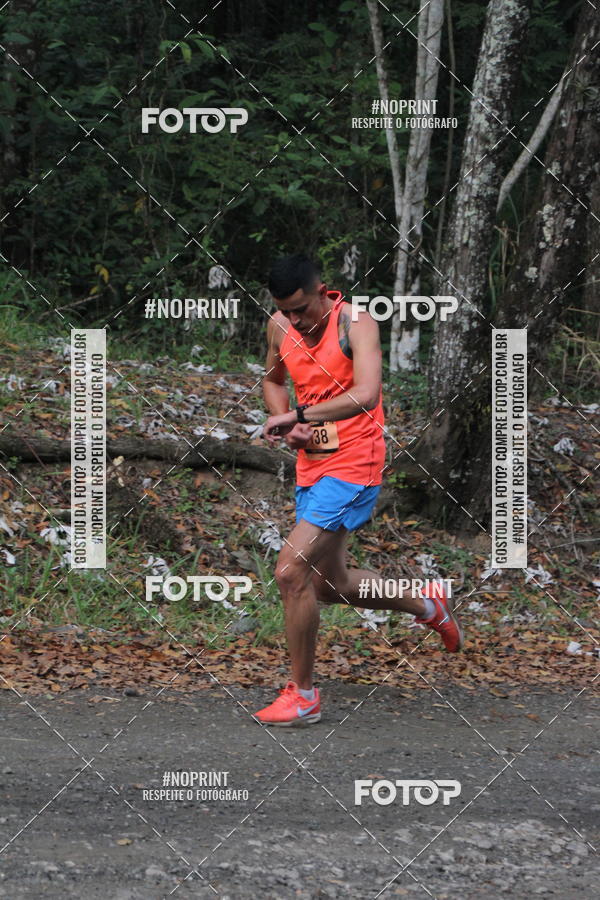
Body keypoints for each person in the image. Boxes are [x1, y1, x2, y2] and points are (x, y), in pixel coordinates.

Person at [254, 254, 463, 726]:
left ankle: (303, 697)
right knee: (331, 586)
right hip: (312, 465)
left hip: (356, 465)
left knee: (290, 572)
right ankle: (427, 603)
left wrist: (301, 416)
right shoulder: (279, 327)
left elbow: (367, 393)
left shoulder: (357, 324)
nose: (294, 319)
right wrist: (286, 422)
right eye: (285, 311)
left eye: (302, 309)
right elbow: (272, 381)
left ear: (323, 292)